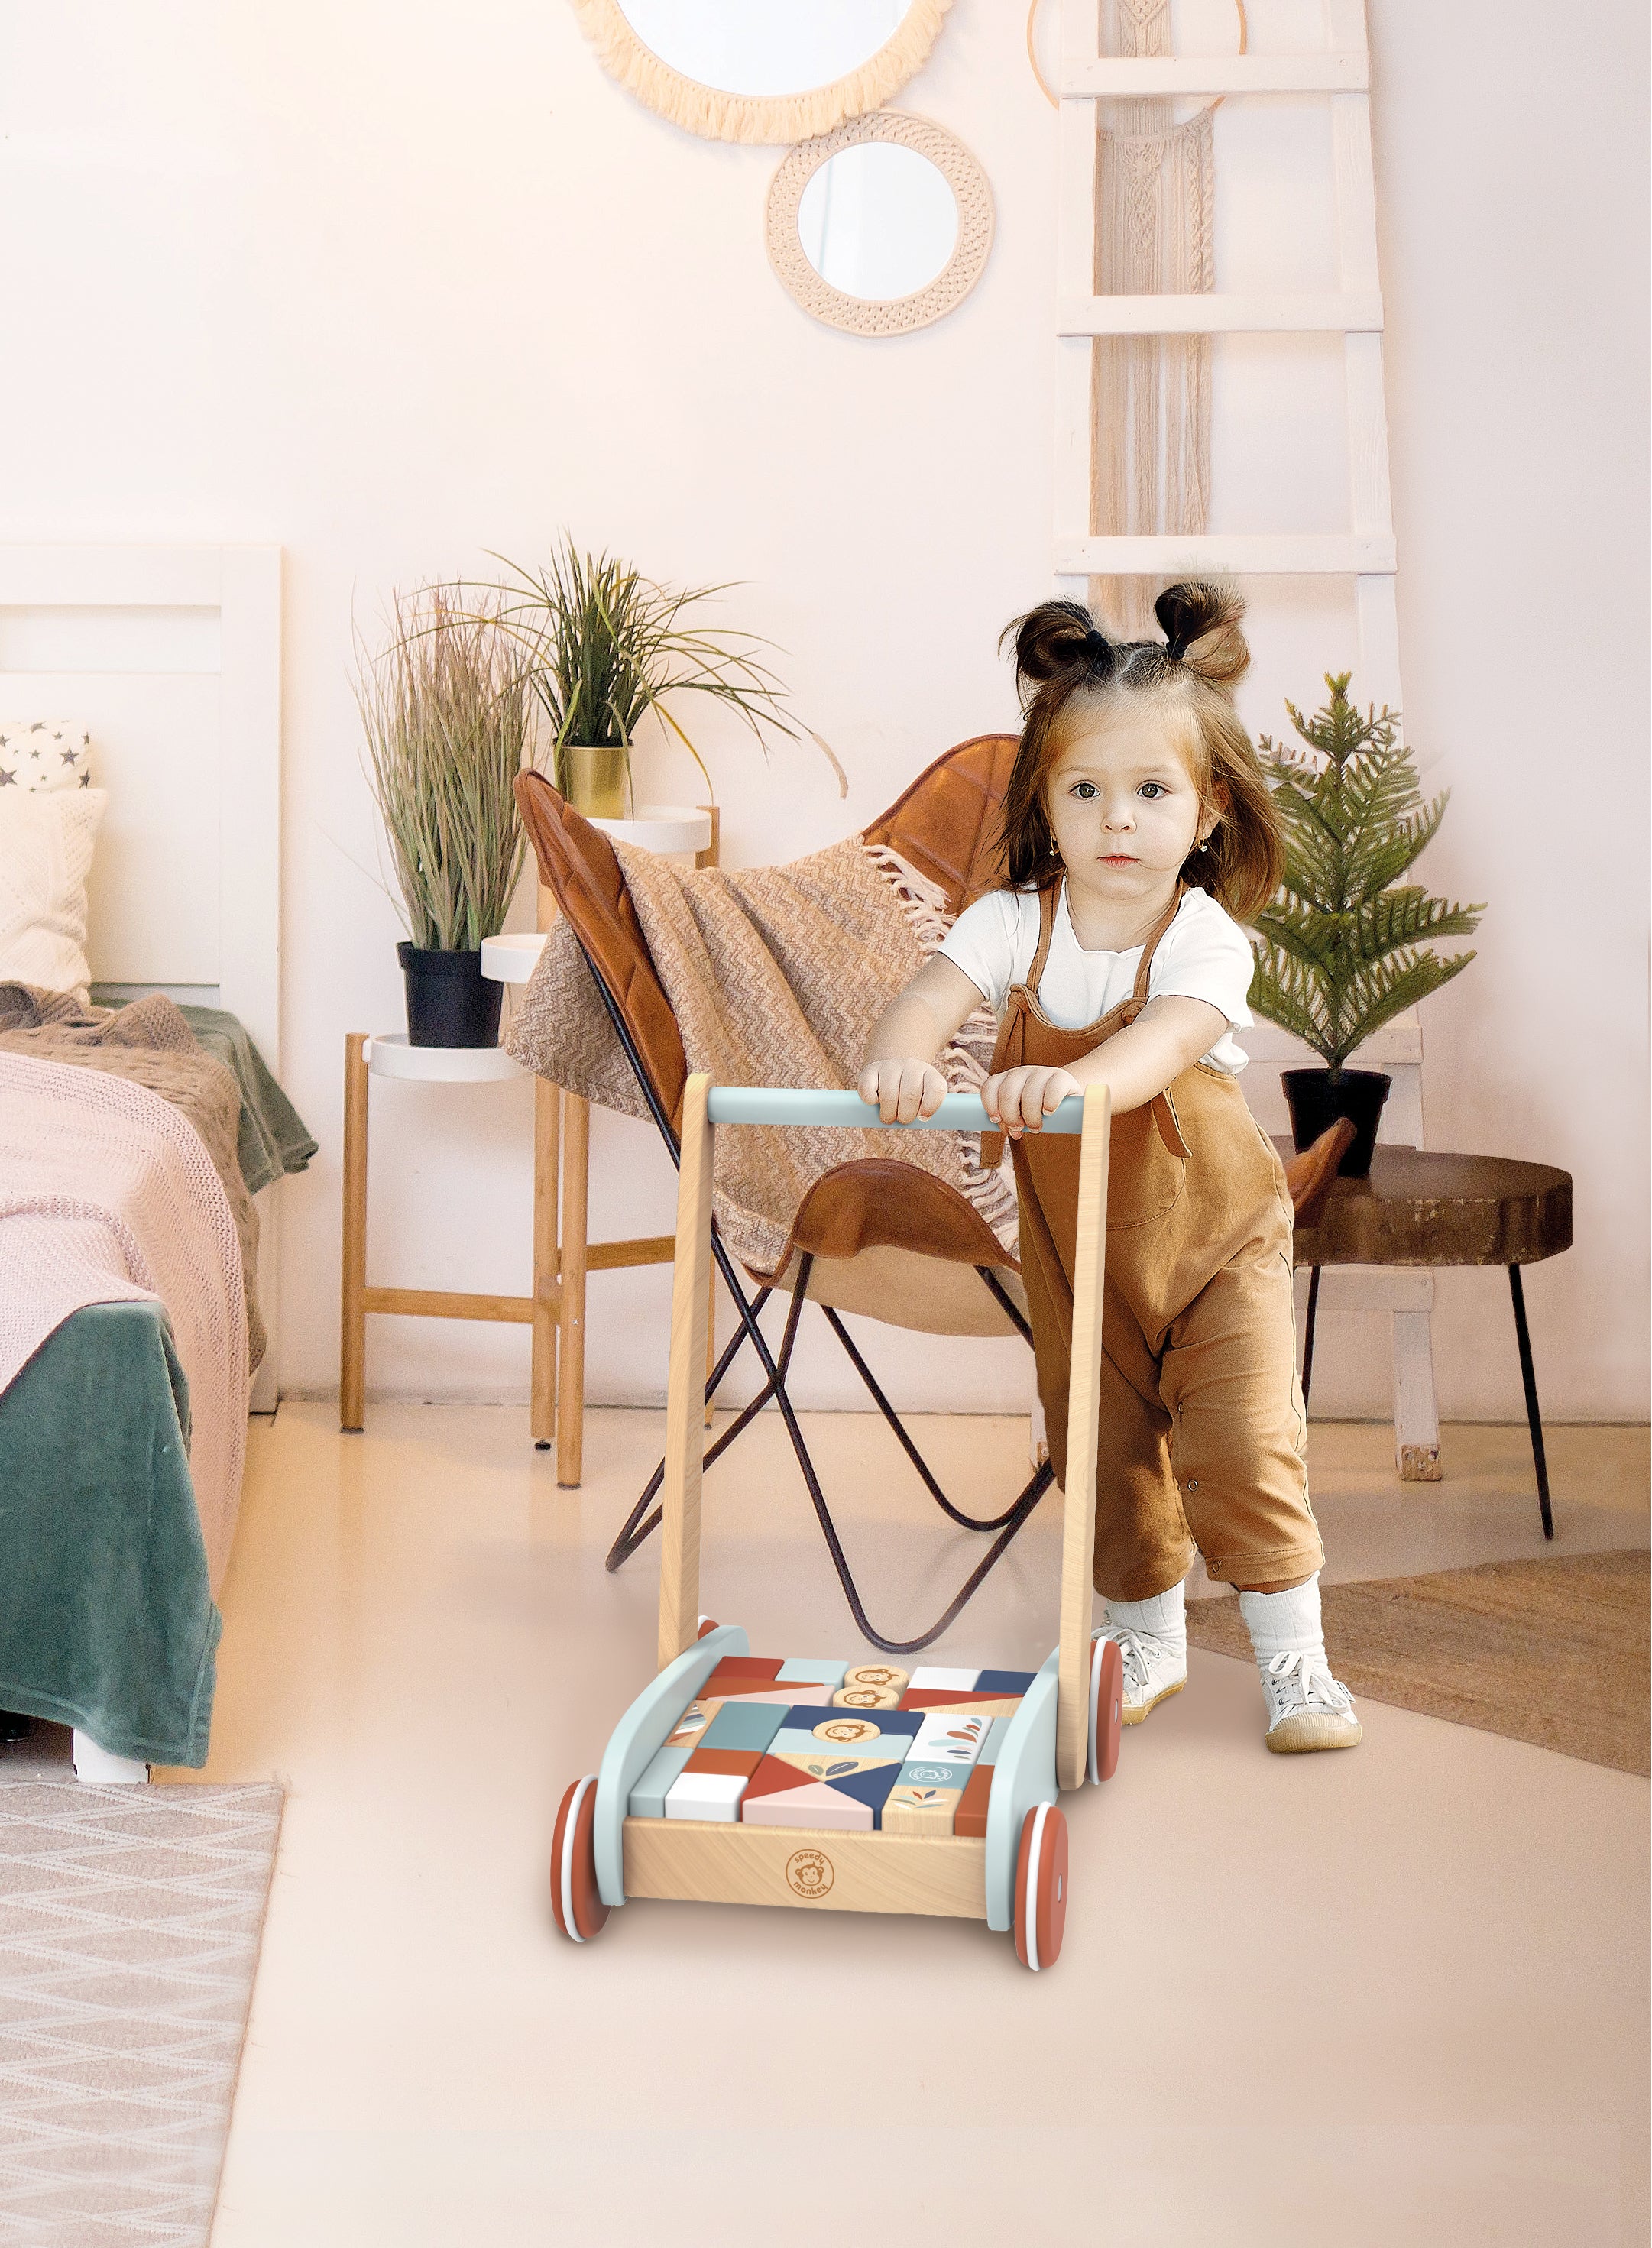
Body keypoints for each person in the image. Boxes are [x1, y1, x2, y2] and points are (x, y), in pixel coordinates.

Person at [857, 583, 1360, 1753]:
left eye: (1150, 791)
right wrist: (903, 1058)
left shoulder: (1201, 937)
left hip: (1213, 1248)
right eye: (1083, 790)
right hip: (1078, 1256)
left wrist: (1070, 1082)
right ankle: (1145, 1641)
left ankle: (1296, 1662)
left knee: (1242, 1442)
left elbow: (1160, 1046)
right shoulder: (1009, 923)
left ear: (1209, 808)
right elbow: (925, 1001)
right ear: (1045, 801)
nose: (1115, 820)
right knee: (1101, 1446)